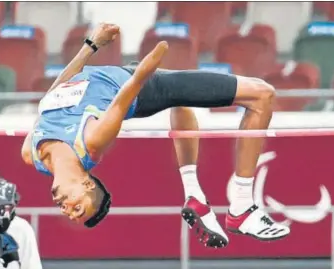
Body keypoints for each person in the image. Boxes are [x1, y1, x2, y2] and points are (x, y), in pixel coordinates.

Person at [21, 23, 290, 249]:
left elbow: (53, 96)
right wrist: (154, 59)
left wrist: (90, 46)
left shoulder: (30, 153)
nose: (66, 210)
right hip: (142, 86)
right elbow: (128, 93)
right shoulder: (90, 141)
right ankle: (243, 207)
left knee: (183, 100)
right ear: (87, 185)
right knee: (262, 95)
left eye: (70, 212)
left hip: (120, 75)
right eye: (76, 209)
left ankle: (194, 193)